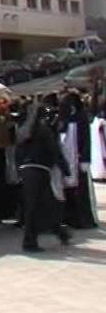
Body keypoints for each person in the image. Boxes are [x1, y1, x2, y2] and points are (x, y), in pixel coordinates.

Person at [17, 101, 72, 252]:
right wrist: (66, 169)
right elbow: (55, 151)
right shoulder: (44, 130)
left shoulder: (23, 130)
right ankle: (31, 242)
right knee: (45, 205)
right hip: (40, 171)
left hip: (26, 171)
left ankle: (59, 233)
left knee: (35, 207)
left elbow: (17, 151)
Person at [58, 92, 98, 229]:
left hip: (77, 158)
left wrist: (85, 158)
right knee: (67, 191)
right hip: (66, 159)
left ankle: (81, 219)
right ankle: (68, 217)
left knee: (79, 192)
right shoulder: (63, 117)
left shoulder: (81, 118)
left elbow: (86, 140)